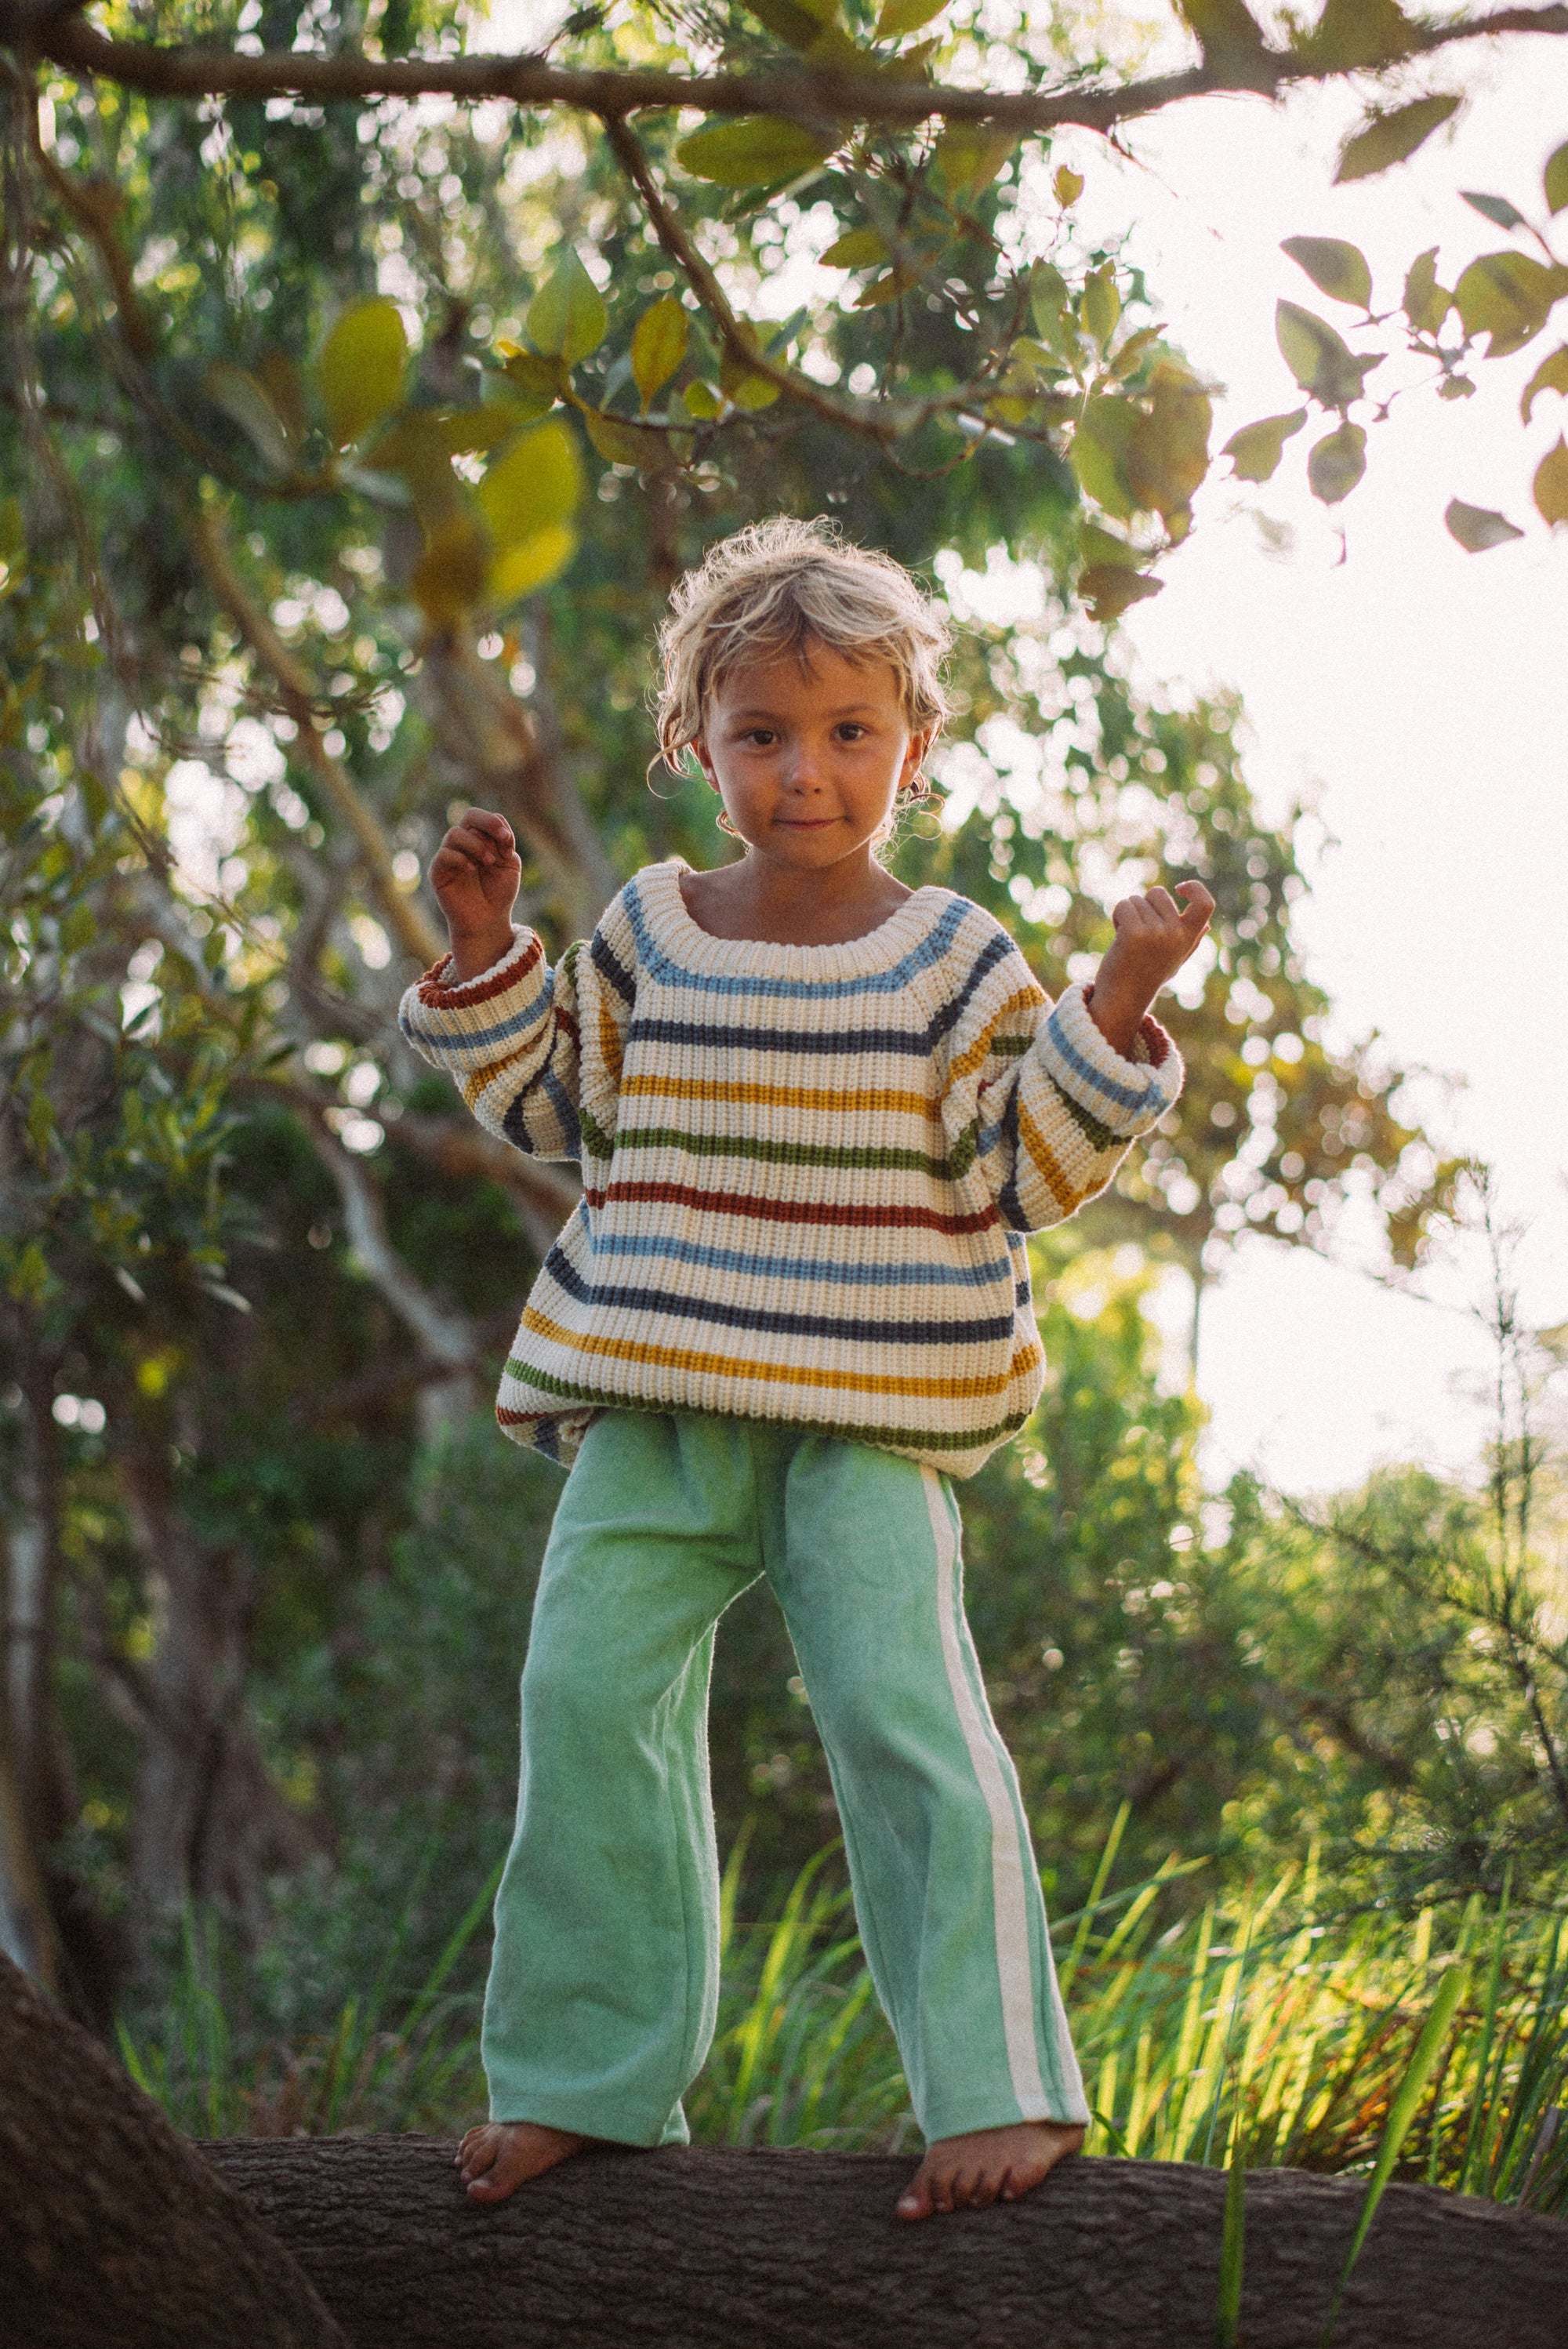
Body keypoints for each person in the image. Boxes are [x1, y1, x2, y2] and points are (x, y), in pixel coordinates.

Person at [399, 517, 1214, 2221]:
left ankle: (996, 2086)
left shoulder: (950, 953)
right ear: (697, 742)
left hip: (872, 1414)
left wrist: (1120, 998)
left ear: (911, 746)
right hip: (660, 1399)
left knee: (901, 1718)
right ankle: (588, 2080)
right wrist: (485, 956)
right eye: (762, 730)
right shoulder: (646, 930)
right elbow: (559, 1113)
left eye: (848, 731)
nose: (806, 770)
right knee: (584, 1694)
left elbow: (1024, 1169)